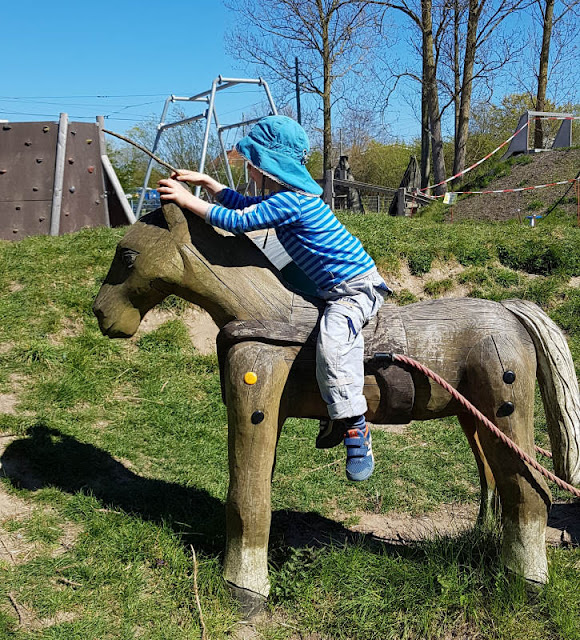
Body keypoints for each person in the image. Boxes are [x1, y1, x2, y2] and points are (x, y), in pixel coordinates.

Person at [157, 115, 391, 482]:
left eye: (253, 164)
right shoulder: (282, 198)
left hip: (355, 289)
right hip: (327, 288)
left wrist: (190, 201)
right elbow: (240, 204)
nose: (250, 171)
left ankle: (355, 426)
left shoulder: (292, 202)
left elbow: (237, 221)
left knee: (332, 342)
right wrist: (207, 184)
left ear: (269, 167)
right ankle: (332, 410)